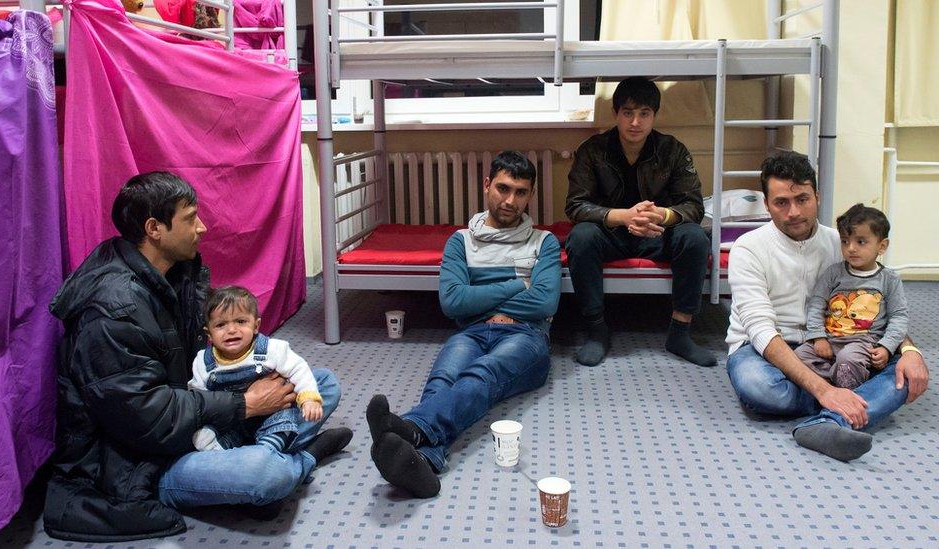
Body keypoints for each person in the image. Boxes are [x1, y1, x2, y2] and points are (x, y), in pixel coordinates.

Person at [45, 172, 350, 542]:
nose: (202, 227)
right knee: (266, 473)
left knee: (320, 383)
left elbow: (198, 363)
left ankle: (258, 460)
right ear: (155, 228)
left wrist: (251, 376)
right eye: (191, 218)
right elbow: (147, 418)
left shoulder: (173, 274)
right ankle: (303, 457)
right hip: (139, 462)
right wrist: (244, 405)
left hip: (193, 419)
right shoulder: (113, 310)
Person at [364, 151, 561, 498]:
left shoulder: (543, 242)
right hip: (471, 331)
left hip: (527, 335)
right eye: (502, 188)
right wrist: (517, 284)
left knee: (483, 373)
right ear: (487, 185)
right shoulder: (460, 241)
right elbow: (452, 302)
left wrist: (478, 298)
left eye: (520, 192)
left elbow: (544, 303)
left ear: (530, 195)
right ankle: (425, 459)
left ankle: (412, 427)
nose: (510, 199)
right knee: (442, 379)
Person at [726, 151, 928, 463]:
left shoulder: (844, 244)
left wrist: (911, 351)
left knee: (905, 376)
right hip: (762, 348)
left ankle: (827, 422)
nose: (794, 211)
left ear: (817, 196)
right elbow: (761, 331)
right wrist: (825, 390)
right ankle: (848, 403)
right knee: (759, 386)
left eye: (803, 199)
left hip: (840, 344)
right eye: (781, 202)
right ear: (767, 205)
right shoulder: (747, 249)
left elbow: (879, 306)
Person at [565, 76, 714, 367]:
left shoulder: (673, 150)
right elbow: (576, 206)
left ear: (654, 115)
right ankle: (597, 331)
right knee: (581, 236)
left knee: (695, 237)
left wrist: (661, 215)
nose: (635, 122)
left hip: (658, 234)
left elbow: (694, 206)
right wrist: (623, 216)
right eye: (628, 113)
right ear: (616, 114)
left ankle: (680, 332)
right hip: (613, 236)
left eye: (644, 113)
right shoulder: (593, 150)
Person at [189, 285, 342, 452]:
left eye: (241, 321)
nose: (231, 330)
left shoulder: (271, 349)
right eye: (221, 325)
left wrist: (309, 398)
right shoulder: (203, 362)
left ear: (256, 325)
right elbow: (198, 398)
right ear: (209, 334)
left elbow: (298, 369)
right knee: (203, 440)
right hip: (230, 425)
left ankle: (266, 451)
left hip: (271, 421)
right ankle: (273, 457)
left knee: (324, 382)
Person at [793, 204, 908, 389]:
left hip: (864, 342)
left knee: (848, 359)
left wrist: (887, 346)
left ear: (882, 246)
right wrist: (818, 336)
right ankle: (836, 378)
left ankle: (844, 381)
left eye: (861, 242)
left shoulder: (889, 279)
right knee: (797, 358)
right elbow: (816, 305)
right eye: (845, 241)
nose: (851, 248)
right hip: (830, 339)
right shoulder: (833, 273)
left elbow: (899, 317)